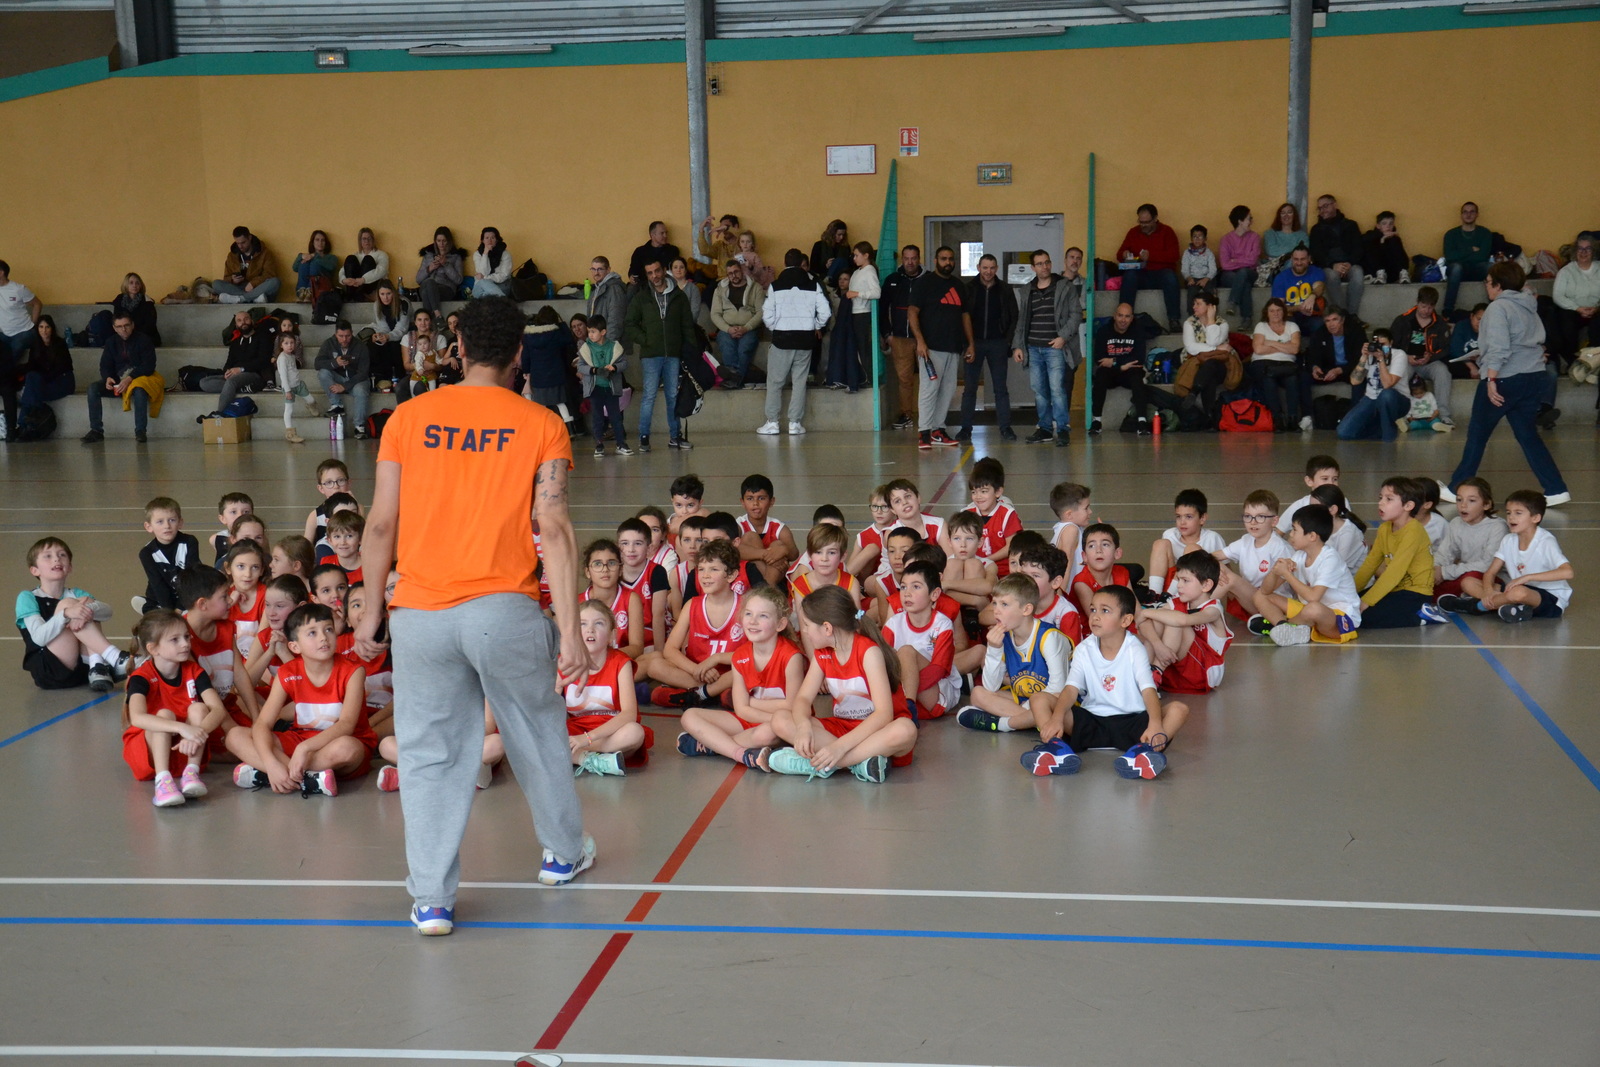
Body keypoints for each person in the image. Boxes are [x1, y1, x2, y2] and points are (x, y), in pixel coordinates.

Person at [356, 294, 596, 934]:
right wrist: (570, 631)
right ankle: (562, 856)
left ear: (458, 348)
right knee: (536, 731)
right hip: (502, 610)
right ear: (520, 353)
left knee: (430, 753)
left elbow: (381, 524)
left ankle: (431, 898)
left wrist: (370, 613)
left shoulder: (407, 417)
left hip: (420, 614)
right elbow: (555, 526)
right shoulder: (542, 423)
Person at [1022, 585, 1187, 780]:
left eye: (1105, 611)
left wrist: (1154, 724)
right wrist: (1057, 718)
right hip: (1092, 721)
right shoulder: (1084, 648)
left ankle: (1144, 752)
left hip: (1131, 723)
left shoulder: (1135, 649)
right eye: (1093, 610)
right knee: (1039, 699)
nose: (1095, 616)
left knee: (1179, 709)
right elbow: (1071, 689)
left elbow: (1148, 690)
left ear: (1125, 620)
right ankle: (1056, 750)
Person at [1443, 261, 1570, 507]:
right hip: (1533, 376)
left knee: (1478, 434)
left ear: (1498, 286)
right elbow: (1526, 341)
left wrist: (1491, 379)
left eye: (1488, 282)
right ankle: (1555, 488)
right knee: (1527, 435)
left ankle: (1455, 487)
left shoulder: (1498, 308)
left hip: (1505, 378)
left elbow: (1501, 347)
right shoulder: (1529, 305)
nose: (1486, 287)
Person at [768, 585, 918, 783]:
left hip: (877, 733)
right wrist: (804, 726)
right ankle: (860, 764)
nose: (804, 631)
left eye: (807, 625)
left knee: (905, 730)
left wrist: (838, 748)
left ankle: (821, 764)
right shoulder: (823, 654)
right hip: (843, 730)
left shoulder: (868, 652)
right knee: (780, 719)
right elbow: (803, 698)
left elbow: (884, 715)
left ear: (827, 628)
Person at [677, 585, 796, 767]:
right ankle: (739, 753)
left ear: (780, 624)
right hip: (750, 719)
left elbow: (792, 706)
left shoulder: (791, 657)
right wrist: (750, 707)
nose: (753, 621)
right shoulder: (740, 656)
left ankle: (712, 744)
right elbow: (740, 710)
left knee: (767, 733)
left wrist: (752, 704)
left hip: (779, 724)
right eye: (748, 614)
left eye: (763, 616)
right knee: (689, 716)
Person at [123, 610, 229, 808]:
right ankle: (162, 781)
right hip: (150, 753)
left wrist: (197, 733)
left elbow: (218, 710)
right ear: (153, 649)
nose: (185, 643)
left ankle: (191, 772)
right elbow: (137, 717)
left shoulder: (194, 670)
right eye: (175, 639)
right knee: (164, 715)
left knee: (199, 708)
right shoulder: (141, 677)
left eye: (186, 637)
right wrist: (181, 729)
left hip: (186, 747)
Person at [1439, 489, 1572, 623]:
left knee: (1519, 593)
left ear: (1535, 518)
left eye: (1518, 513)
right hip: (1516, 590)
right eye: (1508, 513)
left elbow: (1567, 572)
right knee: (1468, 582)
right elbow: (1490, 573)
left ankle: (1476, 606)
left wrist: (1528, 577)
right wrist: (1488, 592)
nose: (1511, 517)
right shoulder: (1509, 540)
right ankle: (1510, 607)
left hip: (1550, 598)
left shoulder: (1545, 541)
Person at [16, 537, 127, 691]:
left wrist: (82, 612)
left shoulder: (77, 594)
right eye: (48, 556)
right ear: (35, 570)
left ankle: (97, 667)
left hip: (82, 670)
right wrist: (66, 614)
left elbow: (107, 612)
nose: (56, 559)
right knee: (69, 604)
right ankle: (115, 657)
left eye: (62, 555)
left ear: (69, 567)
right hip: (50, 670)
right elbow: (39, 638)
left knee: (86, 602)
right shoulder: (27, 597)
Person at [1246, 505, 1363, 647]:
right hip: (1307, 614)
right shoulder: (1300, 556)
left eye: (1295, 530)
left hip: (1340, 618)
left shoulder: (1330, 558)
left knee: (1314, 609)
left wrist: (1287, 575)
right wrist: (1275, 570)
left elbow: (1314, 597)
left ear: (1312, 536)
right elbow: (1265, 591)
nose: (1291, 535)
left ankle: (1282, 627)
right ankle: (1284, 627)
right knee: (1259, 596)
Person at [564, 600, 650, 777]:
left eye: (599, 623)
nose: (590, 629)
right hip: (576, 730)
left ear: (612, 635)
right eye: (582, 623)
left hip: (611, 732)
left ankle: (578, 755)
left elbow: (628, 714)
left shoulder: (620, 663)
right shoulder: (565, 663)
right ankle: (591, 759)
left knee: (634, 732)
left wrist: (586, 739)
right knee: (539, 735)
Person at [1011, 247, 1083, 446]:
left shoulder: (1065, 286)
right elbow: (1022, 321)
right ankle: (1044, 428)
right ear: (1033, 267)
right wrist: (1017, 346)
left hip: (1056, 348)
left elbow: (1076, 315)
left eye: (1047, 262)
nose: (1045, 266)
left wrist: (1063, 337)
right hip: (1033, 348)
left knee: (1057, 390)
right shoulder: (1027, 291)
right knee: (1039, 390)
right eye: (1040, 263)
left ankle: (1062, 429)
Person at [750, 250, 826, 437]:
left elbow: (766, 314)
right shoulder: (813, 284)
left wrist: (776, 327)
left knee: (775, 382)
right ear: (801, 263)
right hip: (805, 340)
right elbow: (825, 312)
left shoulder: (776, 285)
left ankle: (772, 422)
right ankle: (794, 424)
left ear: (784, 263)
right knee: (799, 382)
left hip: (782, 339)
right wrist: (814, 325)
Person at [624, 259, 697, 452]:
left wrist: (691, 350)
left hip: (673, 354)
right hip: (650, 355)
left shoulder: (679, 297)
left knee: (673, 396)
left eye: (657, 271)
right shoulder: (641, 297)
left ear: (664, 270)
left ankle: (675, 437)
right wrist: (646, 339)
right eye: (650, 273)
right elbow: (629, 323)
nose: (654, 276)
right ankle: (644, 437)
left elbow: (687, 325)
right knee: (649, 396)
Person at [1137, 552, 1232, 695]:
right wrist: (1158, 645)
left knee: (1173, 620)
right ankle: (1144, 674)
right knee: (1158, 619)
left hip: (1204, 672)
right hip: (1176, 670)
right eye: (1178, 580)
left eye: (1185, 581)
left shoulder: (1213, 609)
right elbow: (1144, 624)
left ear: (1206, 585)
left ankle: (1155, 672)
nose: (1179, 586)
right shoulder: (1177, 602)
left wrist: (1144, 612)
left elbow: (1182, 620)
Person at [1350, 478, 1441, 628]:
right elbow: (1370, 564)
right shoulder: (1385, 528)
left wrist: (1366, 602)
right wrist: (1350, 592)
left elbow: (1394, 573)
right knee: (1347, 605)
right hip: (1393, 588)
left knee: (1359, 618)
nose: (1381, 503)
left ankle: (1422, 615)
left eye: (1389, 499)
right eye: (1381, 498)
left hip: (1415, 593)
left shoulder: (1413, 531)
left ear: (1408, 506)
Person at [907, 246, 973, 450]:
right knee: (929, 389)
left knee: (948, 389)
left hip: (954, 347)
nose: (948, 262)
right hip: (931, 348)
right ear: (935, 261)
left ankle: (938, 430)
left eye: (951, 259)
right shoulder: (924, 283)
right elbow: (912, 311)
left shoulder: (958, 286)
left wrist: (970, 343)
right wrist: (920, 341)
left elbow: (965, 315)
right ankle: (924, 432)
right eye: (944, 259)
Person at [957, 253, 1017, 442]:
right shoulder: (969, 289)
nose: (988, 271)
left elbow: (1014, 316)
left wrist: (1007, 341)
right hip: (973, 344)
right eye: (985, 268)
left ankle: (1005, 428)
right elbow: (962, 316)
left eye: (992, 268)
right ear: (978, 268)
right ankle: (965, 429)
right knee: (970, 388)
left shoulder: (1005, 289)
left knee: (1000, 388)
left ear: (996, 269)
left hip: (998, 343)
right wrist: (967, 343)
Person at [82, 311, 159, 444]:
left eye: (126, 325)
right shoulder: (111, 342)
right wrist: (107, 378)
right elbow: (105, 365)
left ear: (132, 325)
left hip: (138, 380)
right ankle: (96, 430)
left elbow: (148, 366)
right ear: (114, 328)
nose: (123, 329)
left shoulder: (144, 340)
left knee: (140, 391)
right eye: (119, 326)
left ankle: (140, 431)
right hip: (118, 381)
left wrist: (130, 378)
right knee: (93, 388)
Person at [1430, 477, 1506, 603]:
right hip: (1462, 573)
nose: (1463, 505)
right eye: (1459, 499)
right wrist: (1435, 569)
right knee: (1426, 585)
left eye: (1471, 500)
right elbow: (1445, 554)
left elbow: (1487, 565)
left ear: (1486, 504)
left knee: (1469, 580)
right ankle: (1470, 601)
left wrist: (1445, 572)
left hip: (1488, 577)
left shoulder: (1497, 527)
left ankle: (1496, 601)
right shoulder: (1456, 523)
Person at [1391, 286, 1454, 426]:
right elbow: (1392, 345)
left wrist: (1430, 357)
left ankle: (1443, 414)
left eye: (1430, 307)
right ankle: (1401, 415)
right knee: (1399, 373)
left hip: (1429, 362)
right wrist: (1405, 356)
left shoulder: (1439, 323)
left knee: (1443, 372)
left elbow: (1445, 348)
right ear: (1417, 302)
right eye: (1423, 306)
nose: (1426, 311)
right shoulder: (1402, 320)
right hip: (1406, 361)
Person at [1116, 203, 1182, 331]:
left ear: (1155, 219)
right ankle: (1123, 317)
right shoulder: (1133, 232)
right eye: (1141, 222)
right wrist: (1123, 254)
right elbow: (1119, 254)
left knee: (1170, 277)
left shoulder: (1167, 232)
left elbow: (1174, 256)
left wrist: (1151, 256)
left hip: (1161, 274)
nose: (1143, 225)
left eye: (1146, 222)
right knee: (1129, 276)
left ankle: (1174, 319)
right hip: (1141, 274)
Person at [880, 245, 925, 430]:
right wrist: (887, 335)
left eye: (913, 258)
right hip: (899, 339)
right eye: (906, 258)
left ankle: (931, 416)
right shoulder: (892, 280)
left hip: (924, 339)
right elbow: (882, 309)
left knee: (929, 379)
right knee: (905, 380)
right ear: (902, 259)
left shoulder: (928, 280)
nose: (910, 262)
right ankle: (906, 414)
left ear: (919, 259)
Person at [1175, 292, 1236, 428]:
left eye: (1198, 304)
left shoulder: (1222, 324)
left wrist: (1211, 320)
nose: (1194, 307)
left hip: (1221, 366)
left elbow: (1212, 339)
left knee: (1212, 364)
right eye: (1194, 304)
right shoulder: (1189, 323)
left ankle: (1194, 392)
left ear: (1210, 306)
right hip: (1198, 366)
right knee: (1210, 374)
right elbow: (1191, 347)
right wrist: (1216, 348)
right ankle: (1211, 417)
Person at [1335, 328, 1409, 441]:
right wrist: (1364, 357)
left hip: (1397, 400)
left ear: (1391, 343)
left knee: (1386, 394)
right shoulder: (1370, 355)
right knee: (1344, 432)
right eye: (1377, 344)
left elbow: (1388, 384)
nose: (1379, 348)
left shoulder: (1399, 355)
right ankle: (1379, 429)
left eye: (1383, 344)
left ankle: (1388, 435)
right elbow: (1355, 381)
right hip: (1371, 399)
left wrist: (1381, 360)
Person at [1088, 302, 1150, 435]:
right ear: (1115, 316)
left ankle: (1142, 421)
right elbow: (1099, 359)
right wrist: (1122, 365)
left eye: (1127, 316)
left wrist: (1114, 361)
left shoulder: (1138, 331)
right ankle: (1096, 421)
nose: (1123, 320)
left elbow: (1139, 358)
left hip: (1130, 372)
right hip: (1111, 373)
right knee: (1100, 375)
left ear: (1132, 318)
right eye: (1120, 316)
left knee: (1137, 376)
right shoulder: (1104, 331)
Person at [200, 309, 273, 419]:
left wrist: (241, 369)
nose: (243, 322)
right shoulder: (235, 343)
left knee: (231, 382)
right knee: (204, 382)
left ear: (252, 321)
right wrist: (227, 372)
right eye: (239, 320)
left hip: (254, 375)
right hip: (235, 377)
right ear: (236, 324)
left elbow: (263, 360)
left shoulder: (263, 337)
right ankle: (241, 388)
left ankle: (220, 413)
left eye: (246, 319)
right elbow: (229, 362)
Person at [1249, 297, 1304, 433]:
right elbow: (1259, 349)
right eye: (1272, 311)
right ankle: (1277, 418)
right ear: (1266, 312)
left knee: (1292, 379)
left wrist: (1271, 342)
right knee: (1268, 379)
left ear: (1283, 311)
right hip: (1263, 363)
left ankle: (1292, 419)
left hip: (1286, 364)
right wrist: (1284, 346)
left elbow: (1295, 349)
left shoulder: (1292, 326)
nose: (1275, 313)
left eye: (1279, 310)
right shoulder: (1261, 326)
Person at [577, 315, 630, 457]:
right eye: (589, 332)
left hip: (611, 388)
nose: (590, 335)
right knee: (597, 417)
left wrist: (614, 367)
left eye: (593, 331)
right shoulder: (586, 348)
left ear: (603, 332)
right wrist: (593, 370)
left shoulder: (614, 347)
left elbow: (624, 363)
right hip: (595, 388)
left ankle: (621, 443)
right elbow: (580, 366)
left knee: (615, 417)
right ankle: (599, 444)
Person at [709, 259, 764, 390]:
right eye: (730, 273)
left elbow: (761, 312)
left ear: (742, 271)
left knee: (743, 349)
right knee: (727, 346)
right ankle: (737, 378)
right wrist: (728, 329)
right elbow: (715, 314)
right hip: (727, 328)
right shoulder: (720, 290)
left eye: (736, 272)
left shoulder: (756, 288)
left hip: (749, 328)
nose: (734, 275)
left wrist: (746, 328)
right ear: (727, 275)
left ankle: (733, 379)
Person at [13, 315, 74, 429]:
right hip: (45, 381)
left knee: (31, 389)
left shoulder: (60, 344)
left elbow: (62, 368)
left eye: (47, 327)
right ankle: (27, 420)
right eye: (41, 327)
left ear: (52, 329)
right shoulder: (36, 345)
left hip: (61, 382)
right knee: (31, 378)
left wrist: (40, 379)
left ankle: (23, 424)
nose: (44, 331)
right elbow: (31, 366)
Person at [1308, 194, 1364, 318]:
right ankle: (1343, 314)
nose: (1322, 210)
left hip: (1350, 264)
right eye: (1320, 208)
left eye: (1325, 206)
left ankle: (1353, 315)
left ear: (1335, 205)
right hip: (1329, 266)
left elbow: (1358, 248)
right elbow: (1316, 253)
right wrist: (1332, 265)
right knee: (1331, 276)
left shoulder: (1351, 225)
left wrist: (1349, 263)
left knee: (1358, 273)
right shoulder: (1316, 230)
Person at [315, 320, 372, 439]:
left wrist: (345, 386)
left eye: (348, 336)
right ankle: (336, 405)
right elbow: (317, 364)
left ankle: (359, 426)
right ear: (336, 334)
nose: (344, 339)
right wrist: (334, 363)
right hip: (338, 377)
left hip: (356, 380)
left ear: (352, 333)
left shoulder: (360, 346)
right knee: (323, 373)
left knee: (361, 391)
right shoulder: (328, 344)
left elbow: (363, 372)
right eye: (341, 336)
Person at [1550, 231, 1599, 366]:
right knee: (1565, 319)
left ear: (1593, 251)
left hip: (1597, 310)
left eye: (1587, 248)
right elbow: (1558, 296)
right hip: (1574, 310)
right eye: (1580, 249)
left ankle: (1593, 359)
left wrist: (1597, 308)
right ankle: (1572, 360)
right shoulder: (1566, 271)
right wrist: (1577, 308)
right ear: (1575, 251)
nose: (1583, 252)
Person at [842, 242, 880, 393]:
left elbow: (876, 293)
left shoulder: (869, 271)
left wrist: (857, 294)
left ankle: (870, 378)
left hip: (863, 313)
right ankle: (863, 376)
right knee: (858, 348)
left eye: (857, 255)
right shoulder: (858, 271)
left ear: (866, 256)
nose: (854, 258)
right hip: (855, 312)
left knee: (863, 349)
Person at [1304, 305, 1366, 397]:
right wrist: (1315, 368)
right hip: (1329, 370)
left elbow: (1360, 359)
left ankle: (1356, 410)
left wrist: (1340, 370)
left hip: (1350, 368)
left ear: (1342, 320)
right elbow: (1312, 355)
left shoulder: (1356, 332)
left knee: (1360, 377)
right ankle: (1307, 411)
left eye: (1335, 319)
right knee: (1303, 377)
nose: (1331, 324)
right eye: (1327, 321)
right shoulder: (1320, 333)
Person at [1442, 202, 1492, 314]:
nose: (1468, 215)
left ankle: (1496, 305)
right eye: (1465, 212)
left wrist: (1460, 255)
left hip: (1477, 269)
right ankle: (1448, 310)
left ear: (1477, 214)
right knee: (1456, 267)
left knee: (1490, 267)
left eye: (1472, 211)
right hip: (1456, 271)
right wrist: (1470, 250)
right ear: (1461, 215)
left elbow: (1483, 256)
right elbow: (1449, 257)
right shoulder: (1451, 234)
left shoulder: (1485, 233)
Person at [213, 226, 281, 305]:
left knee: (275, 282)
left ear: (250, 238)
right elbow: (226, 277)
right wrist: (232, 280)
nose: (240, 246)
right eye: (238, 243)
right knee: (216, 284)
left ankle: (240, 299)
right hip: (239, 288)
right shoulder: (232, 255)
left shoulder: (265, 253)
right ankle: (252, 298)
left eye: (243, 242)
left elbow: (270, 274)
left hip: (258, 288)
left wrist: (253, 283)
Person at [1217, 206, 1262, 323]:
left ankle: (1232, 302)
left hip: (1250, 272)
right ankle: (1247, 319)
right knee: (1244, 283)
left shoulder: (1255, 237)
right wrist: (1243, 261)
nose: (1251, 221)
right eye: (1249, 218)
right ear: (1240, 221)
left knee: (1243, 273)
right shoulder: (1226, 240)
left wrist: (1235, 260)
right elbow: (1225, 265)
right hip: (1230, 274)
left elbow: (1253, 261)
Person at [1272, 247, 1327, 334]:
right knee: (1288, 326)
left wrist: (1312, 296)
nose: (1299, 263)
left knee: (1320, 325)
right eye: (1296, 259)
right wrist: (1299, 308)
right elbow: (1278, 306)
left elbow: (1320, 286)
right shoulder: (1281, 277)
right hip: (1290, 315)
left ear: (1309, 259)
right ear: (1291, 259)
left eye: (1303, 259)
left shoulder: (1317, 271)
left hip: (1311, 315)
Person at [400, 309, 447, 402]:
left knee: (420, 387)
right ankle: (406, 415)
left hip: (433, 375)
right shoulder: (407, 337)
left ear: (430, 321)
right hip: (413, 374)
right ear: (415, 322)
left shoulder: (440, 338)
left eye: (426, 319)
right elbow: (406, 365)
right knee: (399, 388)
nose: (423, 323)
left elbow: (442, 365)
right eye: (419, 320)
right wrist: (418, 365)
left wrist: (432, 366)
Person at [366, 281, 407, 389]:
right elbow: (382, 326)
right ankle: (380, 377)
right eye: (382, 294)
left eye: (388, 294)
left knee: (394, 345)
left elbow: (402, 329)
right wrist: (380, 335)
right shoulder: (377, 305)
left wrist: (388, 337)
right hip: (388, 333)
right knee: (373, 343)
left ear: (393, 293)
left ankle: (398, 377)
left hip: (403, 334)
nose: (385, 298)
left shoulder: (403, 303)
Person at [415, 227, 464, 313]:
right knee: (429, 283)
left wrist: (446, 265)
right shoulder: (428, 256)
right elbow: (418, 279)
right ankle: (437, 315)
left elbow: (458, 280)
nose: (441, 244)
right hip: (427, 285)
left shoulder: (455, 257)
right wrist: (429, 268)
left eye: (444, 241)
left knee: (427, 291)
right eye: (438, 241)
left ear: (449, 241)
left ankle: (429, 317)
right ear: (435, 241)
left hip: (446, 288)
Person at [339, 227, 390, 301]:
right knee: (350, 258)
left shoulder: (381, 255)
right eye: (364, 239)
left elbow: (381, 271)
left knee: (368, 259)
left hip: (371, 288)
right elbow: (343, 270)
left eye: (369, 238)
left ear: (373, 240)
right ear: (360, 241)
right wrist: (343, 280)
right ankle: (351, 294)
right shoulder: (356, 255)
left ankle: (361, 294)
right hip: (355, 287)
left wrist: (363, 280)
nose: (367, 241)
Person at [1361, 211, 1411, 285]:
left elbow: (1404, 259)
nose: (1388, 226)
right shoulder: (1370, 235)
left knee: (1394, 240)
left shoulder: (1395, 239)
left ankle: (1403, 273)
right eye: (1384, 223)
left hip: (1392, 272)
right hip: (1375, 274)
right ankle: (1380, 273)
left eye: (1391, 223)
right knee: (1373, 243)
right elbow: (1362, 240)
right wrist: (1382, 238)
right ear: (1378, 226)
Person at [110, 272, 161, 345]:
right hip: (123, 334)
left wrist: (132, 335)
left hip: (145, 336)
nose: (134, 285)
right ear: (126, 285)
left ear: (141, 285)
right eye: (131, 283)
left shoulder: (147, 302)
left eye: (137, 283)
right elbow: (116, 319)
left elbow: (150, 325)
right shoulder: (119, 300)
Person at [628, 221, 681, 286]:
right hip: (644, 286)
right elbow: (633, 270)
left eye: (666, 233)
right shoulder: (640, 252)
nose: (665, 236)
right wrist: (631, 277)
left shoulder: (673, 251)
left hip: (667, 284)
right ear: (652, 235)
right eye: (662, 233)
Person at [292, 230, 337, 302]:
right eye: (317, 240)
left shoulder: (331, 257)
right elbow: (295, 268)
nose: (320, 243)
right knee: (304, 264)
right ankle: (302, 291)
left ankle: (311, 291)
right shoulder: (307, 257)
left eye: (323, 240)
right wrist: (301, 256)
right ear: (313, 242)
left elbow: (331, 266)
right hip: (305, 293)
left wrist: (314, 256)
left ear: (326, 243)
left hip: (322, 288)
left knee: (314, 264)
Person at [1180, 225, 1218, 310]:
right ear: (1191, 238)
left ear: (1205, 239)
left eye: (1200, 236)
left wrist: (1206, 279)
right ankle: (1192, 316)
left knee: (1211, 293)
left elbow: (1213, 269)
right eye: (1194, 236)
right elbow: (1184, 269)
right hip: (1192, 279)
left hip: (1207, 278)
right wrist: (1189, 278)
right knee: (1191, 293)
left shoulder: (1209, 253)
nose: (1197, 239)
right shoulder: (1187, 253)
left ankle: (1212, 314)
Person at [694, 214, 741, 282]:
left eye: (726, 226)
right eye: (721, 227)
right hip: (722, 281)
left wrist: (727, 228)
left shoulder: (743, 242)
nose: (723, 230)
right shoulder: (719, 245)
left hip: (739, 279)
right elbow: (704, 251)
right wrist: (701, 230)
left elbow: (742, 234)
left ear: (736, 226)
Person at [468, 227, 512, 299]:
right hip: (481, 286)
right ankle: (503, 301)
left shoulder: (505, 254)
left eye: (492, 238)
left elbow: (504, 275)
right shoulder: (477, 254)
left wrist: (485, 278)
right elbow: (482, 272)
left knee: (485, 292)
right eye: (487, 238)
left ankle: (499, 300)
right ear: (482, 240)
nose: (490, 240)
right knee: (483, 284)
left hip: (501, 284)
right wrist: (485, 253)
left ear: (497, 240)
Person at [810, 220, 851, 285]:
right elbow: (813, 268)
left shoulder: (845, 247)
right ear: (832, 234)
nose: (841, 237)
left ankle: (828, 279)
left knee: (840, 261)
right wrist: (826, 266)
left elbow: (849, 265)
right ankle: (828, 280)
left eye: (843, 235)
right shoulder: (819, 246)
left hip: (840, 278)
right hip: (823, 275)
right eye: (839, 234)